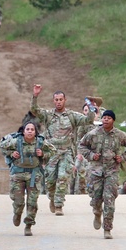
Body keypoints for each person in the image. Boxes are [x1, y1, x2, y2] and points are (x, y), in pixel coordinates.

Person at [29, 84, 95, 215]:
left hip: (66, 152)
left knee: (63, 177)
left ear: (65, 100)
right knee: (51, 181)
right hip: (51, 153)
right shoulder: (48, 115)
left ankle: (59, 205)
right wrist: (35, 96)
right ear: (54, 101)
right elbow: (34, 110)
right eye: (56, 100)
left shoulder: (72, 116)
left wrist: (92, 107)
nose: (59, 102)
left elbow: (88, 120)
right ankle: (52, 198)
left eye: (61, 99)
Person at [78, 110, 126, 239]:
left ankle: (107, 229)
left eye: (109, 118)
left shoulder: (120, 135)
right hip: (96, 171)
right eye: (104, 118)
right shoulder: (93, 134)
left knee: (109, 200)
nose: (106, 120)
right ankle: (97, 212)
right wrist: (91, 155)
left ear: (113, 120)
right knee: (96, 198)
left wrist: (123, 157)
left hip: (112, 171)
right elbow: (81, 146)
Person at [0, 122, 54, 237]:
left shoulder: (40, 142)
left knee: (32, 202)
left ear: (35, 132)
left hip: (34, 175)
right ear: (23, 131)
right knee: (18, 201)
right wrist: (11, 153)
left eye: (32, 129)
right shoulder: (16, 141)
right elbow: (1, 146)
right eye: (27, 129)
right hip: (18, 175)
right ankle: (17, 213)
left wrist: (43, 154)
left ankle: (28, 225)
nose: (29, 131)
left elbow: (52, 151)